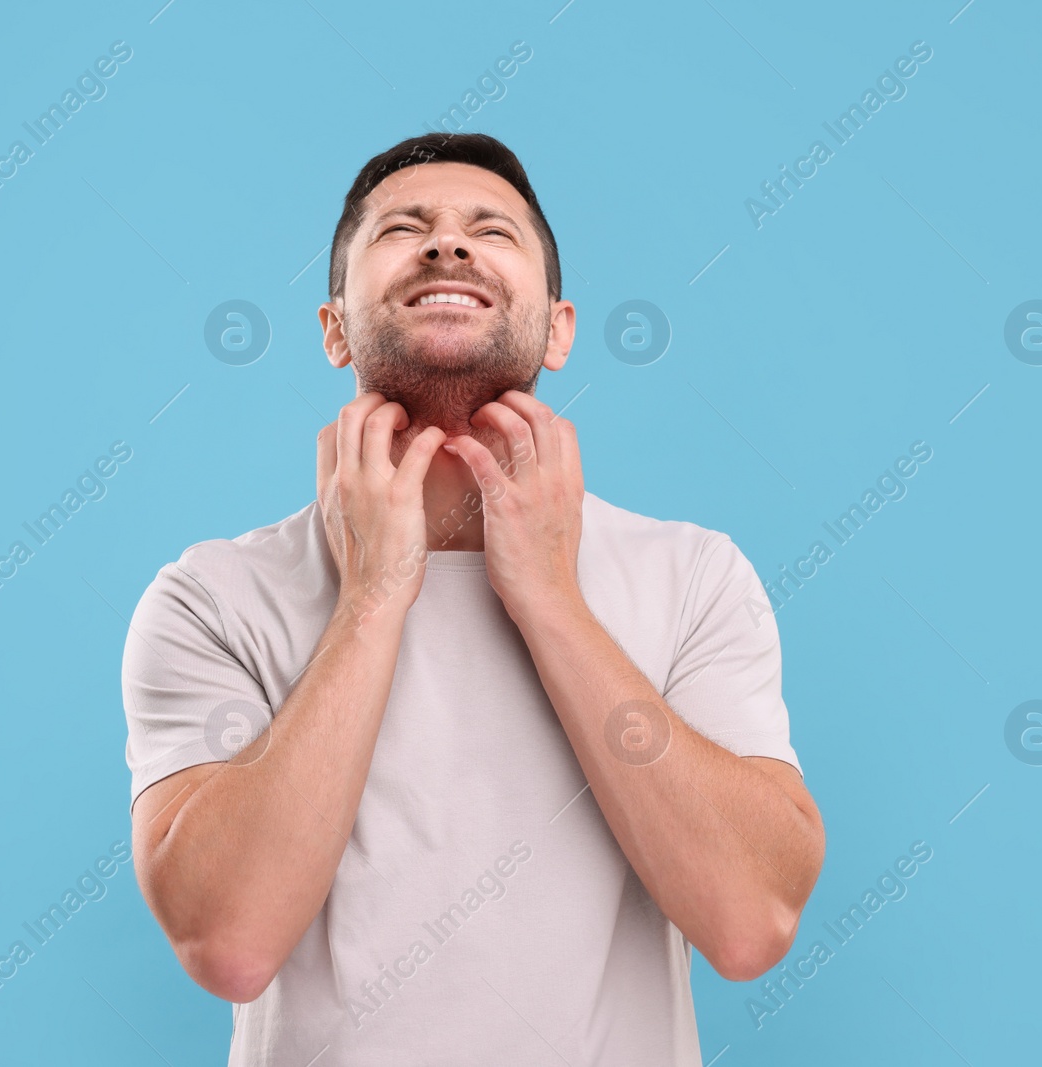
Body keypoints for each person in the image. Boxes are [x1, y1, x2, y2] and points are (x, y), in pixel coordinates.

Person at [121, 132, 825, 1065]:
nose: (447, 246)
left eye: (490, 230)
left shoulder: (693, 577)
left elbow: (750, 923)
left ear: (559, 328)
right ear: (333, 328)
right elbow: (230, 941)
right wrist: (374, 595)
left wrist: (549, 599)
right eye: (403, 229)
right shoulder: (211, 595)